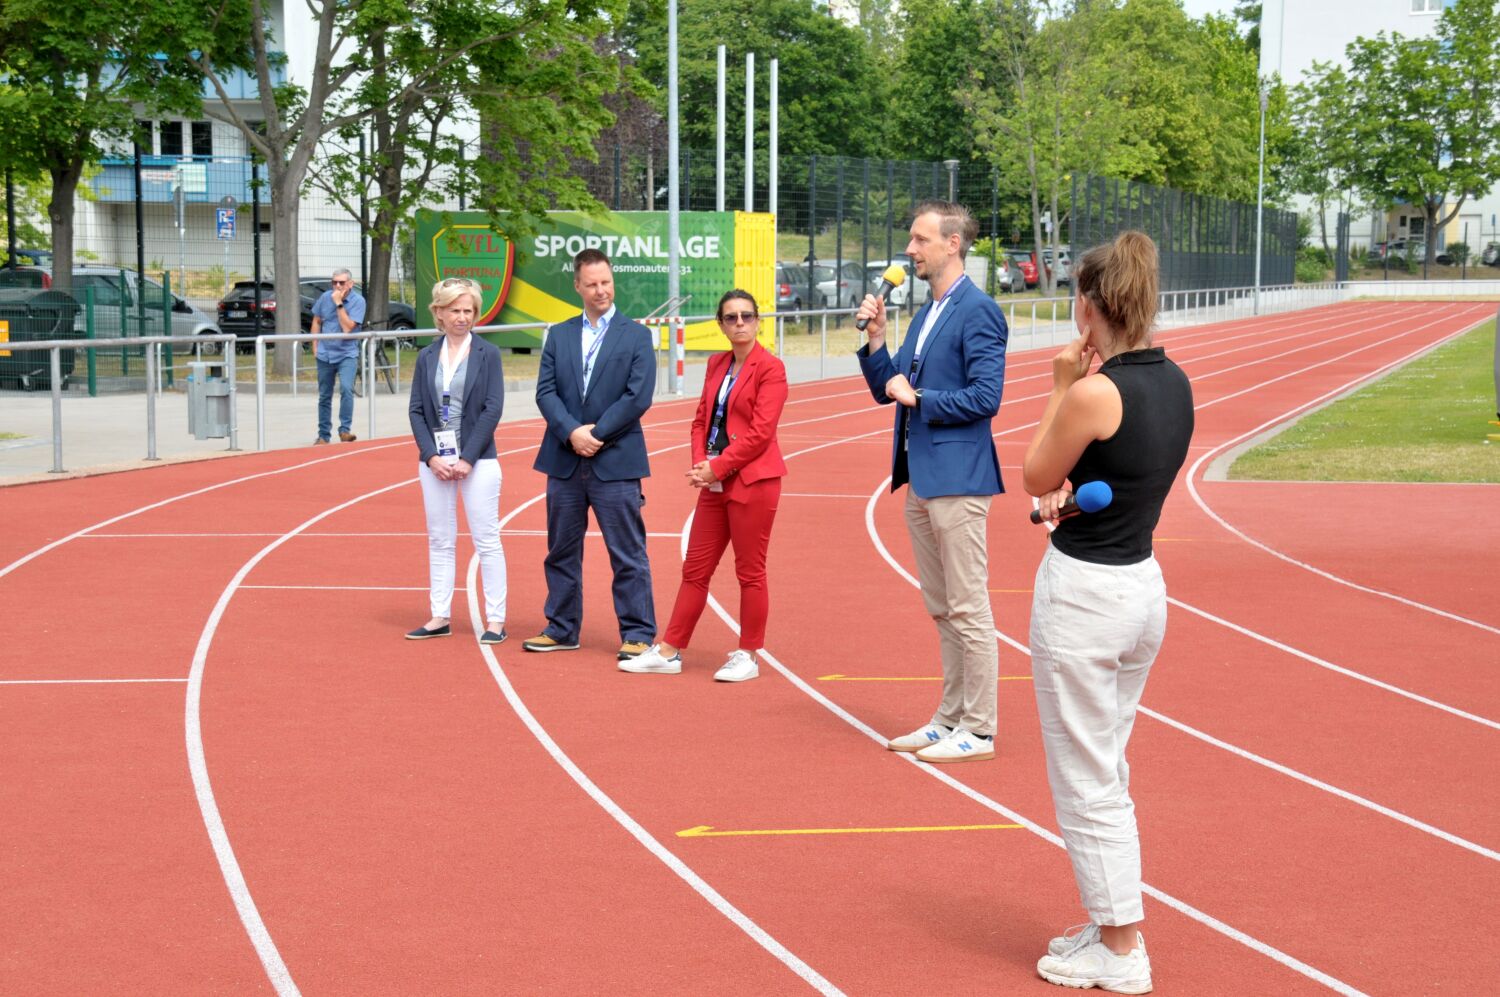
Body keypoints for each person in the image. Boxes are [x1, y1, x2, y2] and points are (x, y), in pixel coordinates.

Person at [1022, 231, 1193, 994]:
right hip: (1141, 585)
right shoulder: (1179, 382)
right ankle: (1108, 914)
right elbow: (1120, 477)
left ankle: (1122, 947)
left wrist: (1062, 381)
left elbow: (1033, 473)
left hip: (1086, 596)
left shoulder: (1094, 392)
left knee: (1087, 776)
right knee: (1107, 761)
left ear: (1088, 305)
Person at [854, 200, 1008, 764]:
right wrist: (876, 339)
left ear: (953, 244)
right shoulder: (927, 312)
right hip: (920, 479)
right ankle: (949, 718)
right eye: (911, 241)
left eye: (920, 240)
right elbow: (887, 388)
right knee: (942, 607)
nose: (910, 251)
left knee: (969, 607)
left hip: (959, 479)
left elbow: (986, 398)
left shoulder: (979, 311)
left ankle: (981, 727)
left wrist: (921, 399)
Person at [622, 290, 788, 682]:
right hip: (713, 480)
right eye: (731, 318)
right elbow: (701, 420)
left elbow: (761, 433)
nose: (740, 323)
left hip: (752, 481)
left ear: (758, 321)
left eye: (747, 316)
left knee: (750, 571)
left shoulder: (771, 369)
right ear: (721, 324)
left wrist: (719, 467)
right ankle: (669, 650)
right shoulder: (717, 364)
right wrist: (702, 463)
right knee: (694, 568)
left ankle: (748, 654)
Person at [522, 249, 657, 659]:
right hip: (564, 461)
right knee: (561, 550)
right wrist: (570, 433)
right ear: (577, 286)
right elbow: (545, 392)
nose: (601, 290)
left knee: (627, 553)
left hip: (614, 461)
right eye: (592, 284)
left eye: (606, 282)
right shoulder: (559, 335)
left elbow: (638, 397)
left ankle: (637, 633)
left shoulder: (636, 335)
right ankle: (562, 628)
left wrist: (594, 434)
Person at [405, 277, 508, 645]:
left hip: (478, 461)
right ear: (440, 313)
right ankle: (439, 615)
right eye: (455, 311)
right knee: (440, 540)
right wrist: (431, 457)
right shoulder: (426, 356)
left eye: (468, 311)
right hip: (435, 463)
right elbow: (416, 410)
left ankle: (495, 619)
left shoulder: (488, 354)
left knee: (486, 539)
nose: (463, 317)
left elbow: (493, 408)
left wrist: (467, 458)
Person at [310, 268, 366, 444]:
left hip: (346, 353)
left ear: (350, 284)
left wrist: (339, 304)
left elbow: (348, 328)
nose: (337, 286)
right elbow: (317, 320)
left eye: (341, 282)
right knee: (324, 394)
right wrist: (315, 346)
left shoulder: (358, 301)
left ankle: (344, 430)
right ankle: (323, 435)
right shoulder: (325, 297)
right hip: (325, 353)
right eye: (334, 282)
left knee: (346, 389)